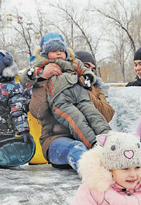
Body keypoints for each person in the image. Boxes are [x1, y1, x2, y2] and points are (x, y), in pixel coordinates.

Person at [20, 33, 113, 170]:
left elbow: (106, 114)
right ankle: (95, 171)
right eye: (87, 66)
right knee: (77, 148)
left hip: (85, 118)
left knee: (96, 122)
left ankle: (112, 147)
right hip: (56, 138)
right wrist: (43, 78)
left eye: (93, 68)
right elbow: (38, 112)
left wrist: (86, 86)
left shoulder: (88, 81)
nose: (58, 54)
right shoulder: (45, 76)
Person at [74, 50, 115, 122]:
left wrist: (86, 88)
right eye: (86, 66)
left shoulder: (97, 87)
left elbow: (108, 115)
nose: (89, 71)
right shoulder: (66, 85)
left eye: (92, 70)